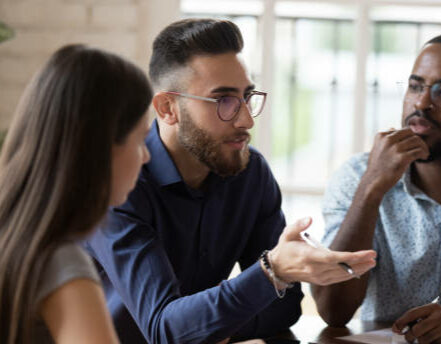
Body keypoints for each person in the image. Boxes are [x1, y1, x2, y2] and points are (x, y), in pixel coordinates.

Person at [84, 18, 377, 343]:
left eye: (247, 97)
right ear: (168, 107)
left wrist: (205, 326)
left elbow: (285, 309)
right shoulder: (120, 184)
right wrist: (271, 272)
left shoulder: (251, 173)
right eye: (223, 100)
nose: (246, 119)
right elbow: (164, 330)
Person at [312, 32, 441, 343]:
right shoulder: (357, 176)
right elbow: (333, 310)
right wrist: (371, 189)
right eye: (415, 86)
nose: (421, 102)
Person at [0, 44, 153, 344]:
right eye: (140, 140)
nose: (146, 157)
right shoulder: (59, 260)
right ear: (100, 149)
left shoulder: (13, 235)